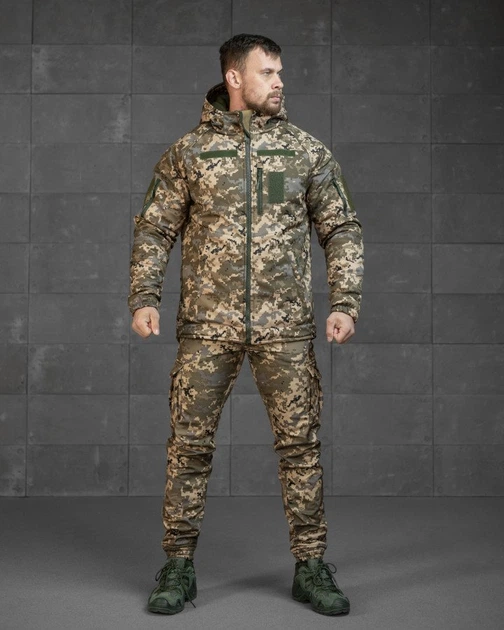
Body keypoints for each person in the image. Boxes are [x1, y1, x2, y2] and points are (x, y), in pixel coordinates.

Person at [128, 33, 364, 617]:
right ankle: (178, 566)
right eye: (268, 72)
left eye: (281, 72)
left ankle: (311, 567)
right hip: (206, 327)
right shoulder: (189, 153)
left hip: (285, 328)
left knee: (300, 448)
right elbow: (155, 227)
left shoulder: (305, 152)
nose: (280, 82)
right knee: (188, 447)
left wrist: (344, 302)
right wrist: (144, 297)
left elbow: (341, 228)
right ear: (235, 78)